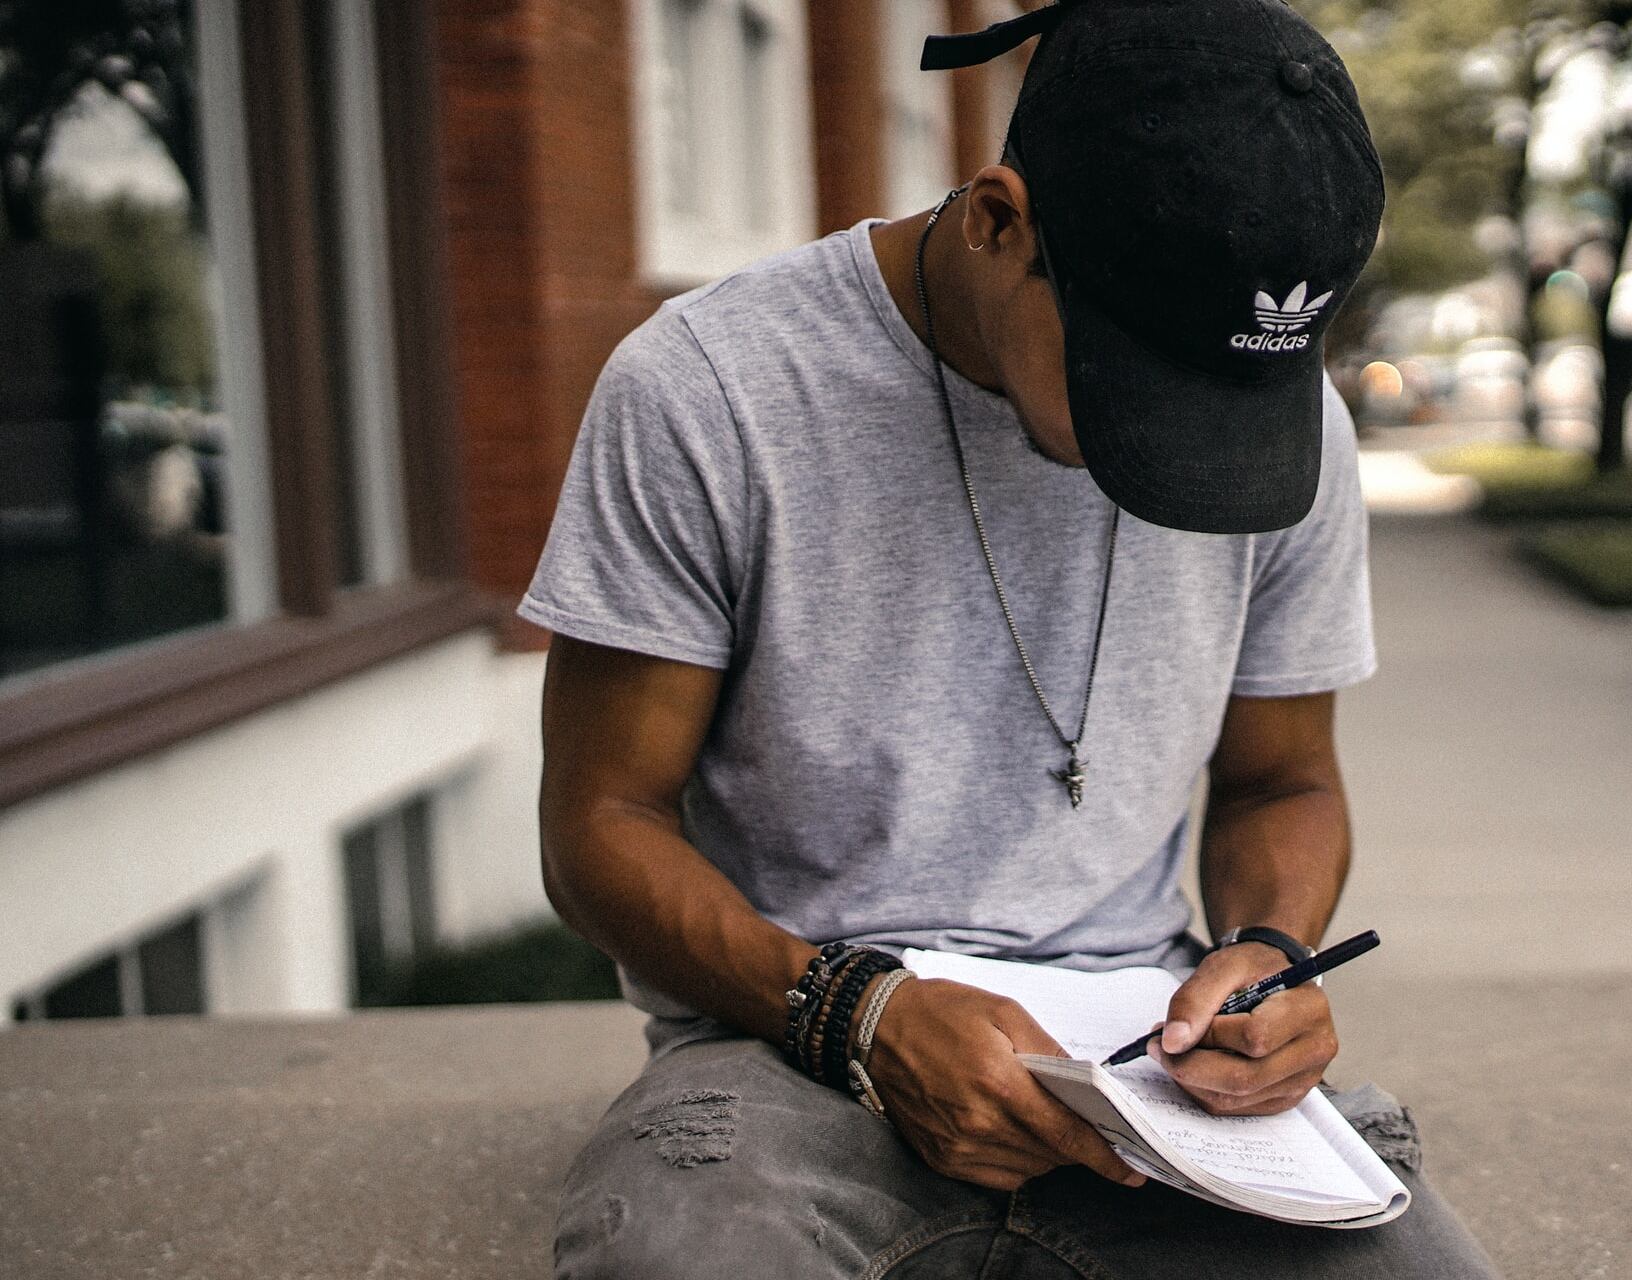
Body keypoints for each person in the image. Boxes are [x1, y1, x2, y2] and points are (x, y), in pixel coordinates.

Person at [523, 1, 1500, 1275]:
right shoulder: (710, 389)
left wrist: (1265, 957)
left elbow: (1284, 777)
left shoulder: (1302, 429)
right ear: (999, 218)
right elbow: (598, 823)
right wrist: (855, 1011)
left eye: (1222, 397)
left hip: (1151, 1075)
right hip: (788, 1045)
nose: (1170, 449)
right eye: (1131, 383)